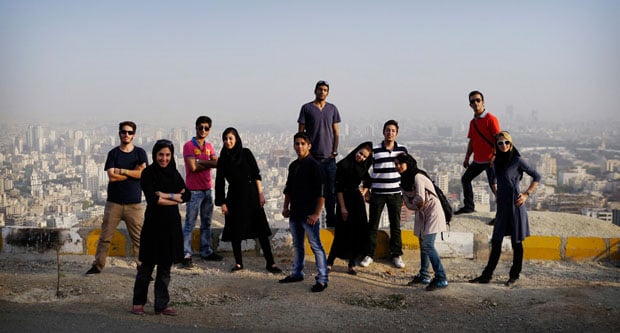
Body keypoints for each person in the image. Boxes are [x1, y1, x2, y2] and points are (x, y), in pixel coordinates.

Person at [469, 131, 540, 286]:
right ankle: (486, 276)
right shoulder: (495, 161)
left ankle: (514, 275)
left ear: (511, 144)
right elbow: (493, 179)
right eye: (500, 143)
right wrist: (496, 192)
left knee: (516, 242)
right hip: (502, 206)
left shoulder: (517, 160)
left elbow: (537, 176)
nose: (503, 146)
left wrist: (527, 194)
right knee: (496, 241)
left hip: (515, 204)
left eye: (506, 142)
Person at [131, 139, 191, 316]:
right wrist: (175, 198)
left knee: (165, 269)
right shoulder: (148, 173)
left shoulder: (174, 173)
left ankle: (161, 304)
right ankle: (138, 303)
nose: (164, 158)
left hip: (171, 226)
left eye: (167, 155)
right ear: (155, 155)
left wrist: (166, 195)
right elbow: (153, 200)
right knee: (147, 267)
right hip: (153, 226)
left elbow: (186, 195)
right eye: (160, 155)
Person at [214, 127, 283, 274]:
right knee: (235, 231)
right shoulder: (223, 158)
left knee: (261, 230)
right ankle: (239, 263)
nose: (228, 141)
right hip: (234, 197)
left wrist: (261, 194)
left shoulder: (246, 153)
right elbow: (219, 182)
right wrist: (222, 203)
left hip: (251, 194)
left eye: (230, 138)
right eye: (225, 139)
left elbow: (256, 174)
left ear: (236, 139)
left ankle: (270, 263)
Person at [85, 121, 148, 276]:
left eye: (130, 132)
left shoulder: (140, 153)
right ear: (119, 133)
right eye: (124, 132)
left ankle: (143, 269)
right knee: (105, 237)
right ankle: (98, 266)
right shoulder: (113, 153)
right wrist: (132, 172)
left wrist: (123, 171)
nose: (126, 135)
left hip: (134, 204)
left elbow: (142, 174)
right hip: (114, 203)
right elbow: (112, 177)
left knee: (139, 239)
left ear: (134, 134)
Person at [279, 132, 329, 292]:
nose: (299, 146)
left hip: (309, 215)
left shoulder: (315, 166)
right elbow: (288, 189)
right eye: (297, 143)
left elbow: (322, 193)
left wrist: (316, 214)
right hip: (295, 213)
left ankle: (322, 279)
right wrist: (286, 207)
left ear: (309, 146)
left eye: (302, 143)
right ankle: (296, 273)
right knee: (298, 245)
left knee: (315, 246)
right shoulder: (293, 166)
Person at [395, 154, 448, 291]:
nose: (398, 166)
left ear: (408, 163)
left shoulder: (418, 176)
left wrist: (414, 203)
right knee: (422, 244)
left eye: (400, 163)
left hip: (433, 212)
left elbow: (418, 199)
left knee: (428, 244)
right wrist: (415, 203)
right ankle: (424, 275)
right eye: (396, 164)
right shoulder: (403, 182)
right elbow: (410, 204)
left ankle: (441, 278)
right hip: (421, 214)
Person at [360, 120, 408, 268]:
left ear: (397, 133)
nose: (390, 133)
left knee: (396, 225)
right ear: (383, 132)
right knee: (372, 225)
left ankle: (396, 254)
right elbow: (364, 170)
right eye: (388, 130)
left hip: (395, 193)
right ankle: (369, 254)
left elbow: (406, 172)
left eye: (393, 130)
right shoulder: (375, 151)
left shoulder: (402, 150)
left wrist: (406, 193)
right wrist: (366, 189)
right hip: (378, 193)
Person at [297, 80, 341, 228]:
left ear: (328, 93)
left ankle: (331, 222)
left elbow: (336, 132)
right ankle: (310, 221)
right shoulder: (307, 108)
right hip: (312, 158)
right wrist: (303, 152)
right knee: (311, 190)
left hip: (328, 158)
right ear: (315, 91)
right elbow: (300, 133)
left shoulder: (332, 109)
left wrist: (334, 151)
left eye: (325, 90)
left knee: (331, 192)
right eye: (320, 89)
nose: (322, 92)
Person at [181, 116, 223, 268]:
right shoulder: (188, 146)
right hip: (193, 190)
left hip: (207, 189)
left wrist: (199, 161)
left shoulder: (209, 146)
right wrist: (207, 163)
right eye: (200, 127)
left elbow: (218, 163)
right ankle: (186, 253)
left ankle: (206, 251)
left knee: (206, 222)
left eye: (206, 128)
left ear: (209, 130)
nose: (203, 130)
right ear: (196, 128)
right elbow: (192, 167)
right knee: (190, 223)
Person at [326, 142, 373, 275]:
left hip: (357, 202)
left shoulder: (362, 168)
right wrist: (342, 208)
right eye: (360, 153)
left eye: (364, 156)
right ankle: (329, 261)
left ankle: (351, 263)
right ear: (356, 151)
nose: (361, 157)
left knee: (355, 233)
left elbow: (368, 180)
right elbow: (339, 188)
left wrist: (363, 192)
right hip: (343, 201)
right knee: (340, 232)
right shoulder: (343, 165)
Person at [455, 90, 501, 216]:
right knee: (466, 179)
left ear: (483, 102)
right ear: (470, 105)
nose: (475, 103)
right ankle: (469, 206)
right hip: (479, 159)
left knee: (494, 186)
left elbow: (499, 139)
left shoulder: (491, 119)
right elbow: (472, 141)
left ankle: (501, 215)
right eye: (472, 101)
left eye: (478, 100)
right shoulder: (473, 122)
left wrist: (495, 155)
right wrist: (467, 157)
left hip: (491, 159)